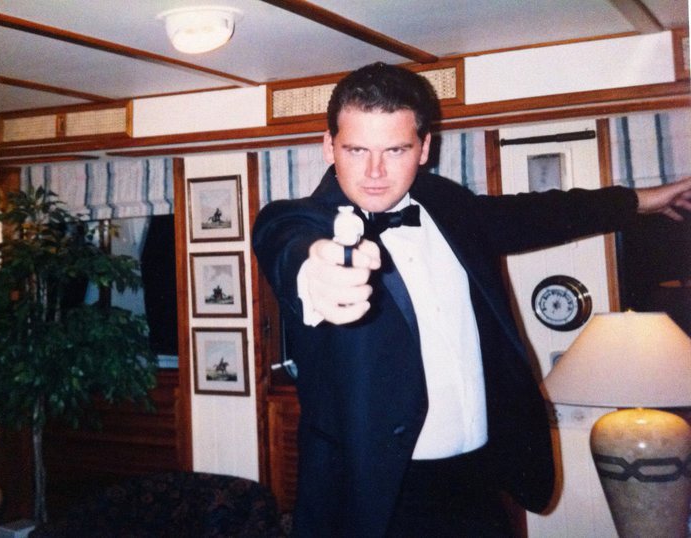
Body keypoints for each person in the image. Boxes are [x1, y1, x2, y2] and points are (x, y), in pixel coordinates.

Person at [252, 62, 691, 537]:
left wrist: (639, 200)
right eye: (356, 149)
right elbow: (284, 240)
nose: (374, 172)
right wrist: (314, 271)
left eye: (395, 150)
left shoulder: (447, 205)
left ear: (424, 149)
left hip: (478, 484)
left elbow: (542, 212)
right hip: (374, 496)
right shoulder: (297, 220)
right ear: (328, 146)